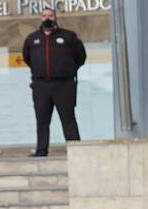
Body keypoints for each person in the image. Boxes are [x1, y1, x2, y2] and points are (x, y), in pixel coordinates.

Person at [22, 6, 85, 157]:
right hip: (41, 86)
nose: (47, 18)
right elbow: (27, 58)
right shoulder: (32, 39)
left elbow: (80, 56)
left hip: (64, 85)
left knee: (68, 119)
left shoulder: (68, 36)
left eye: (50, 15)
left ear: (56, 18)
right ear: (41, 18)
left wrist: (67, 70)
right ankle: (41, 150)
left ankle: (76, 151)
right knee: (42, 120)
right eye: (44, 16)